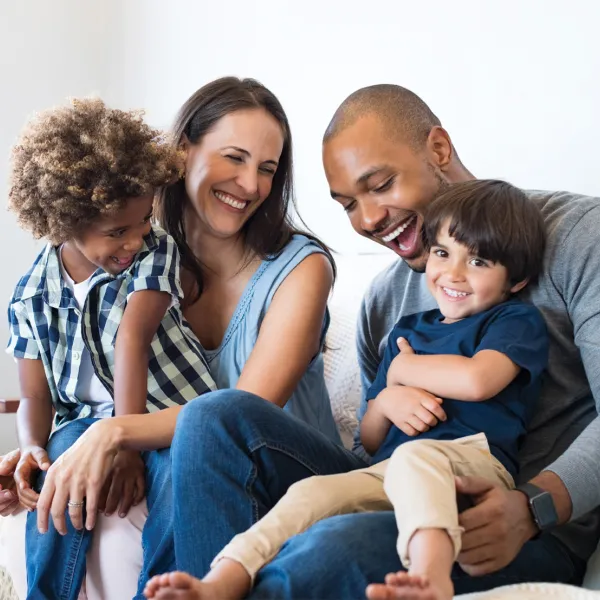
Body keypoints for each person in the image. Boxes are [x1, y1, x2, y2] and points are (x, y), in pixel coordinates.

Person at [139, 84, 598, 599]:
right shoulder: (385, 301)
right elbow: (371, 448)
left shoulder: (579, 236)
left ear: (438, 150)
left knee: (328, 548)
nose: (368, 220)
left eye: (380, 185)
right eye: (347, 205)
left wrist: (534, 507)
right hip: (396, 483)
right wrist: (386, 400)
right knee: (212, 416)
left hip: (514, 524)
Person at [0, 77, 341, 599]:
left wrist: (115, 433)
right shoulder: (126, 247)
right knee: (75, 484)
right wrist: (39, 450)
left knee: (193, 438)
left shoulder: (301, 269)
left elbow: (237, 415)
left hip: (275, 474)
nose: (250, 184)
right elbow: (67, 380)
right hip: (182, 461)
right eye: (235, 158)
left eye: (268, 169)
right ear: (182, 152)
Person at [6, 97, 216, 600]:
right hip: (82, 423)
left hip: (169, 413)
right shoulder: (31, 294)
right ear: (63, 223)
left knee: (176, 479)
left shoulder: (154, 250)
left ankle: (163, 591)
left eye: (143, 220)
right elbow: (36, 396)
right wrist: (33, 448)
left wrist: (123, 442)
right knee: (58, 471)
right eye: (117, 231)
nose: (134, 239)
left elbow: (132, 340)